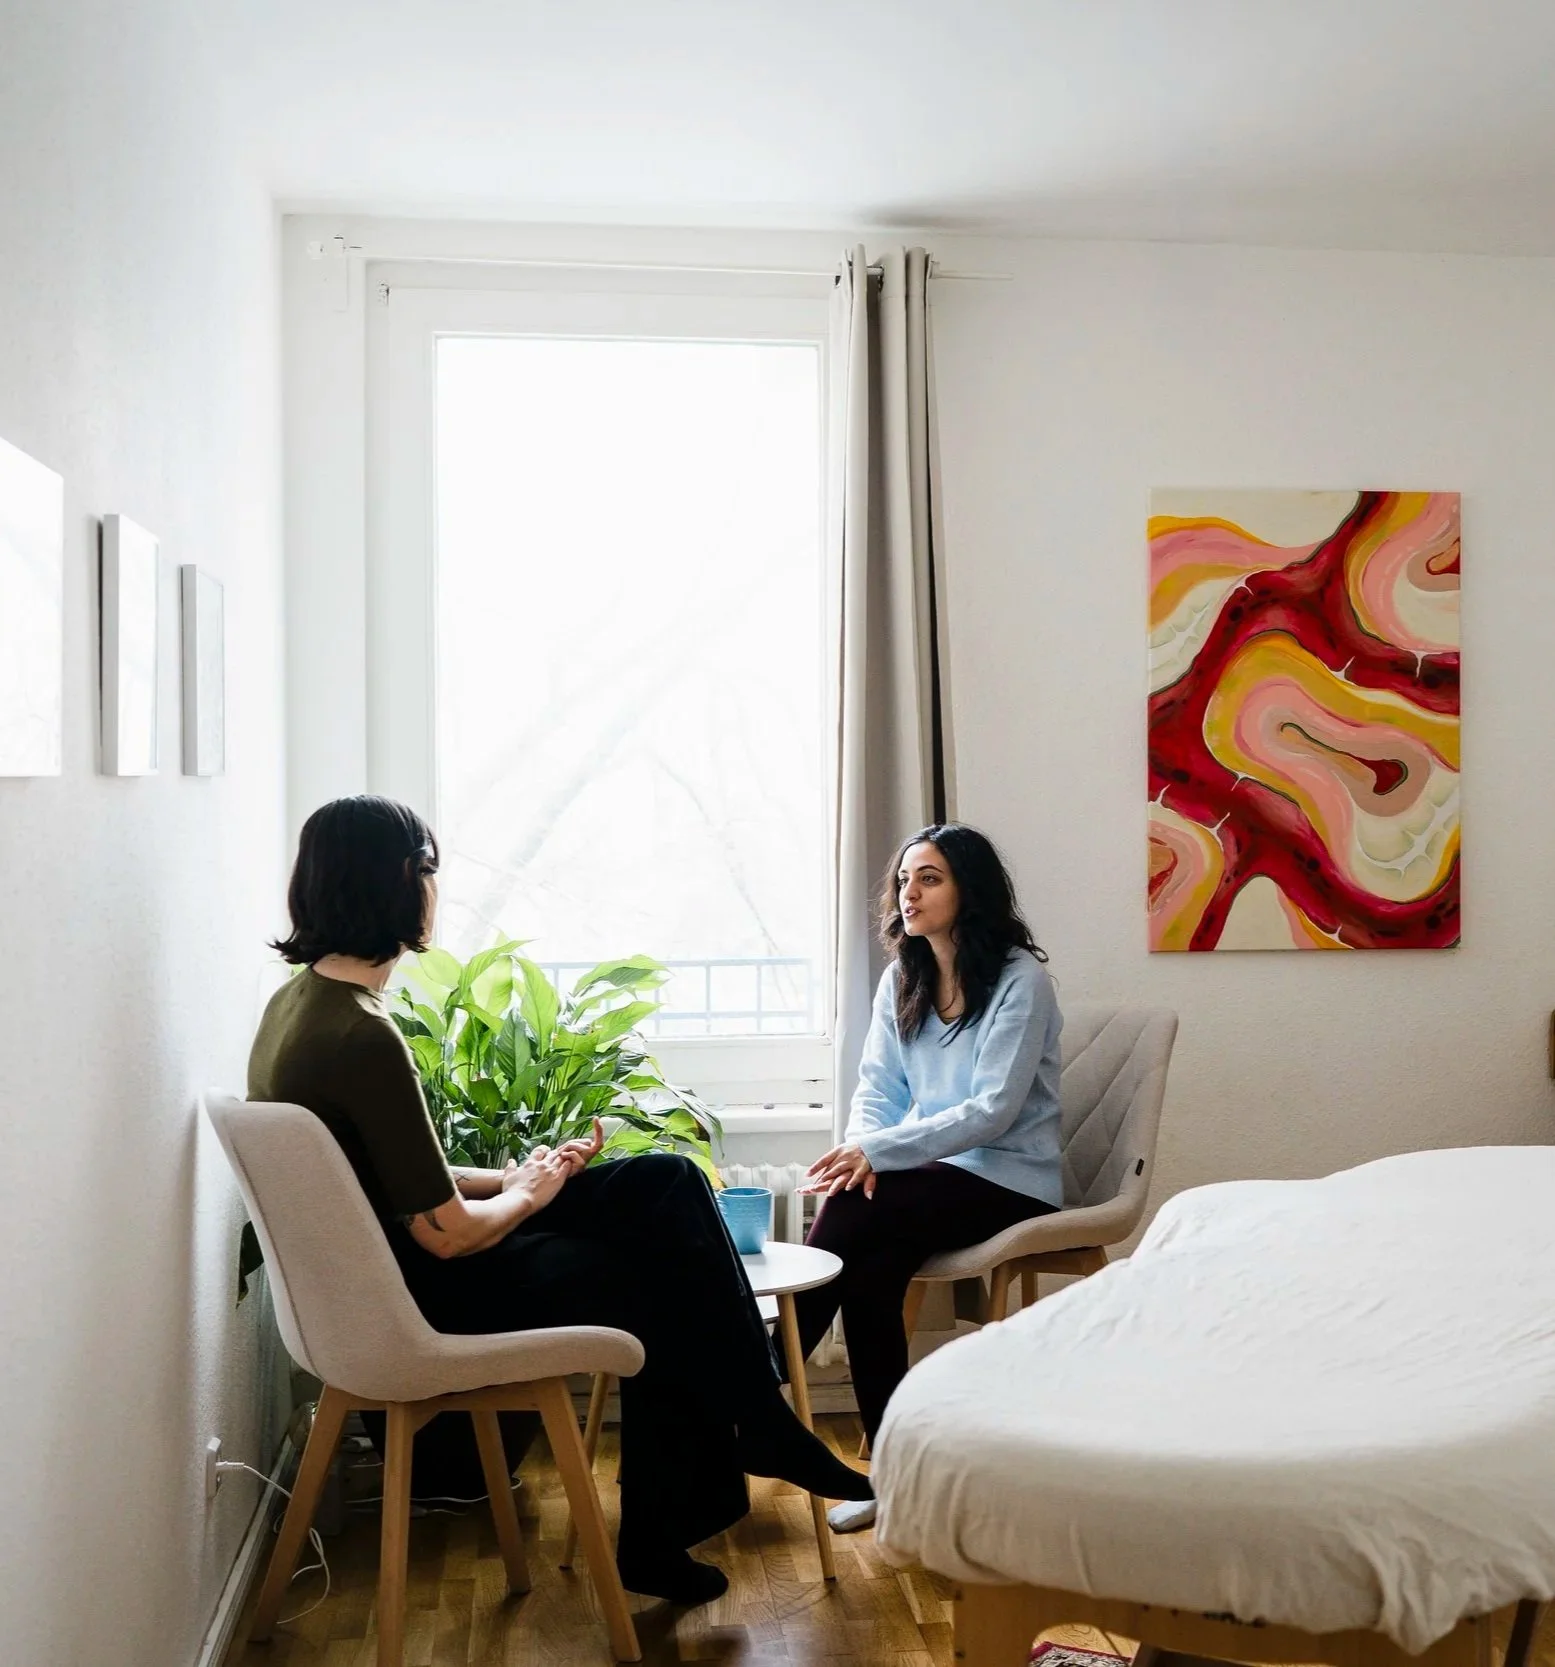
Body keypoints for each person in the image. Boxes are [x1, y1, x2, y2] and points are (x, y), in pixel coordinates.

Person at [247, 796, 870, 1607]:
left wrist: (515, 1180)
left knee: (665, 1185)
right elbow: (446, 1237)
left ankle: (741, 1444)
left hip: (398, 1269)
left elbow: (395, 1182)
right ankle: (735, 1448)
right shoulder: (362, 1036)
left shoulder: (301, 1009)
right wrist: (532, 1192)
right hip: (430, 1293)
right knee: (653, 1274)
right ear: (395, 884)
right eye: (428, 869)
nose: (436, 889)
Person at [792, 823, 1063, 1532]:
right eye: (904, 879)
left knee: (854, 1218)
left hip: (1008, 1177)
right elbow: (877, 1090)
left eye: (930, 878)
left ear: (969, 889)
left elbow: (992, 1110)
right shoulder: (902, 977)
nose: (908, 892)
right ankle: (892, 1478)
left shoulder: (1019, 980)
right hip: (936, 1172)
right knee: (869, 1270)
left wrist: (879, 1156)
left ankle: (761, 1385)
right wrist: (863, 1151)